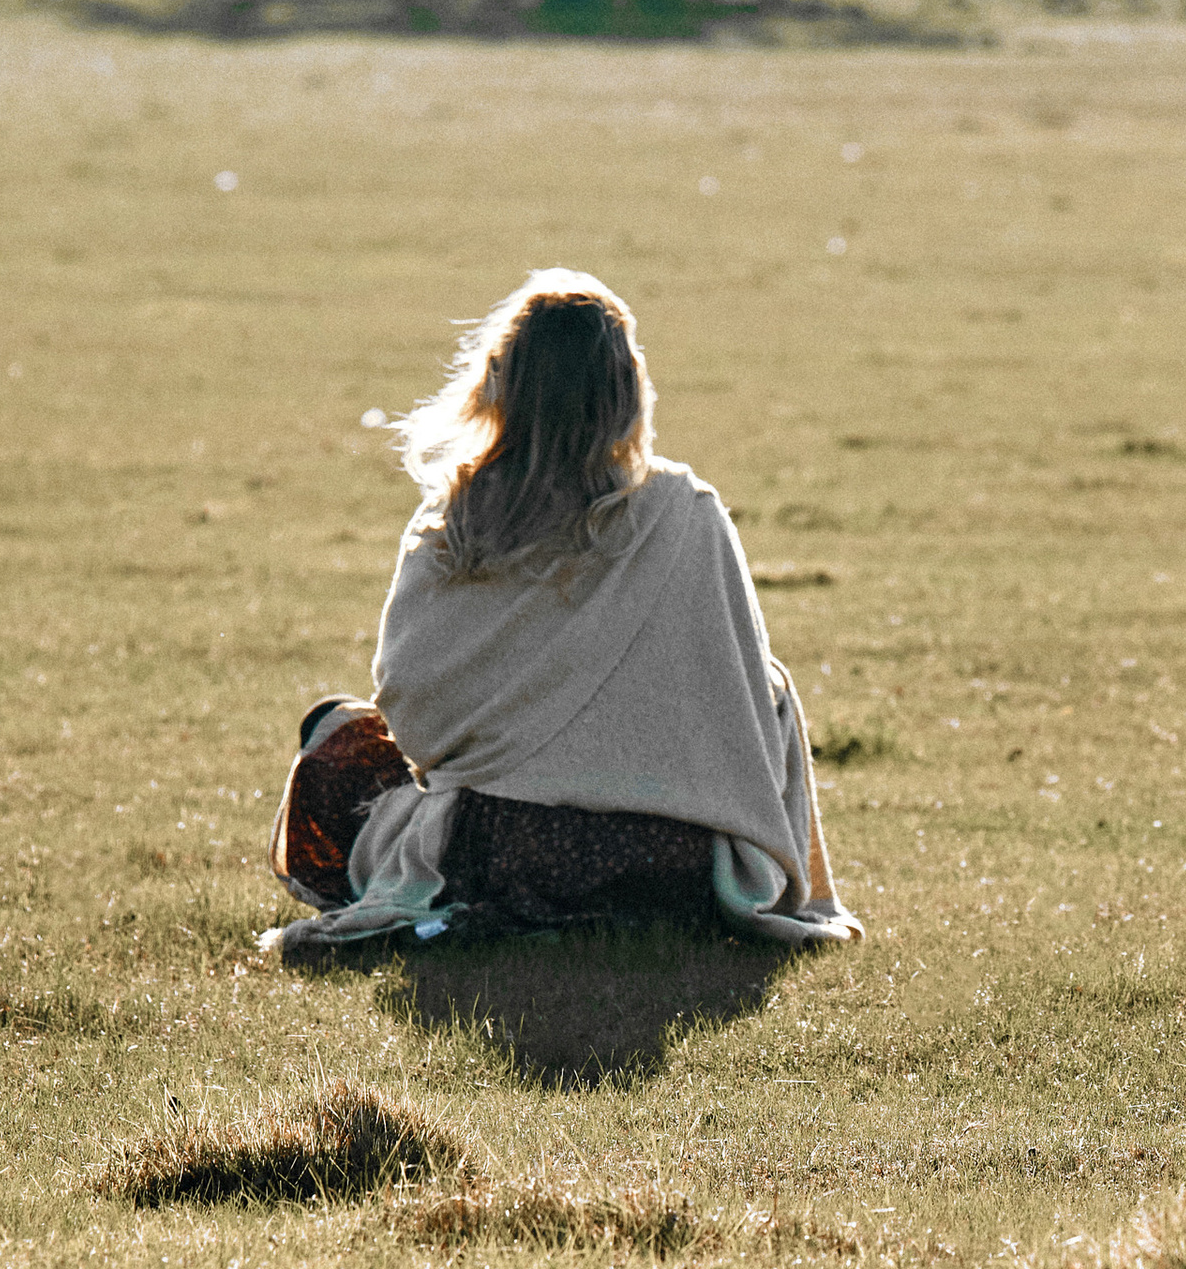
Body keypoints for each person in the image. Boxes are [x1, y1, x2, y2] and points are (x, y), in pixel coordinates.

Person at [263, 270, 860, 959]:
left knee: (336, 742)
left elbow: (411, 714)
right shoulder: (686, 513)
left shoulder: (458, 518)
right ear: (627, 392)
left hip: (501, 853)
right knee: (772, 686)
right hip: (684, 866)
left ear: (498, 384)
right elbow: (744, 702)